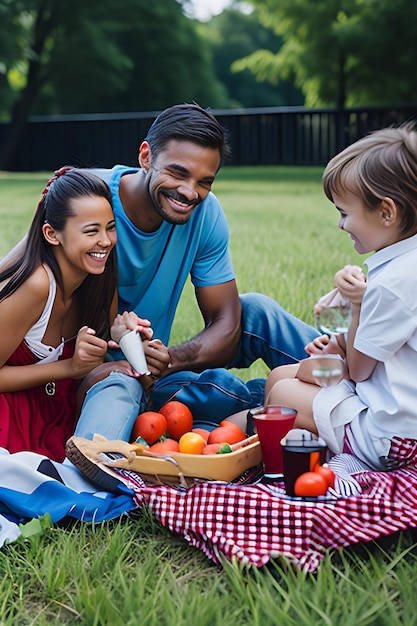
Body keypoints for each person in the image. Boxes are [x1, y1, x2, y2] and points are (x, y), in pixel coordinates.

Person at [265, 122, 417, 471]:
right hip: (392, 403)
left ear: (387, 211)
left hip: (393, 434)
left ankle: (291, 470)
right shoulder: (402, 264)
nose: (341, 225)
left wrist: (358, 305)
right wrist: (337, 341)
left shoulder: (394, 282)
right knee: (279, 376)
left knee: (283, 395)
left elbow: (360, 370)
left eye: (345, 213)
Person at [0, 167, 156, 462]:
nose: (106, 241)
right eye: (91, 231)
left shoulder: (99, 273)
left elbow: (104, 340)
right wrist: (69, 367)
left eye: (110, 227)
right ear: (51, 234)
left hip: (57, 411)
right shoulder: (36, 286)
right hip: (9, 417)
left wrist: (125, 336)